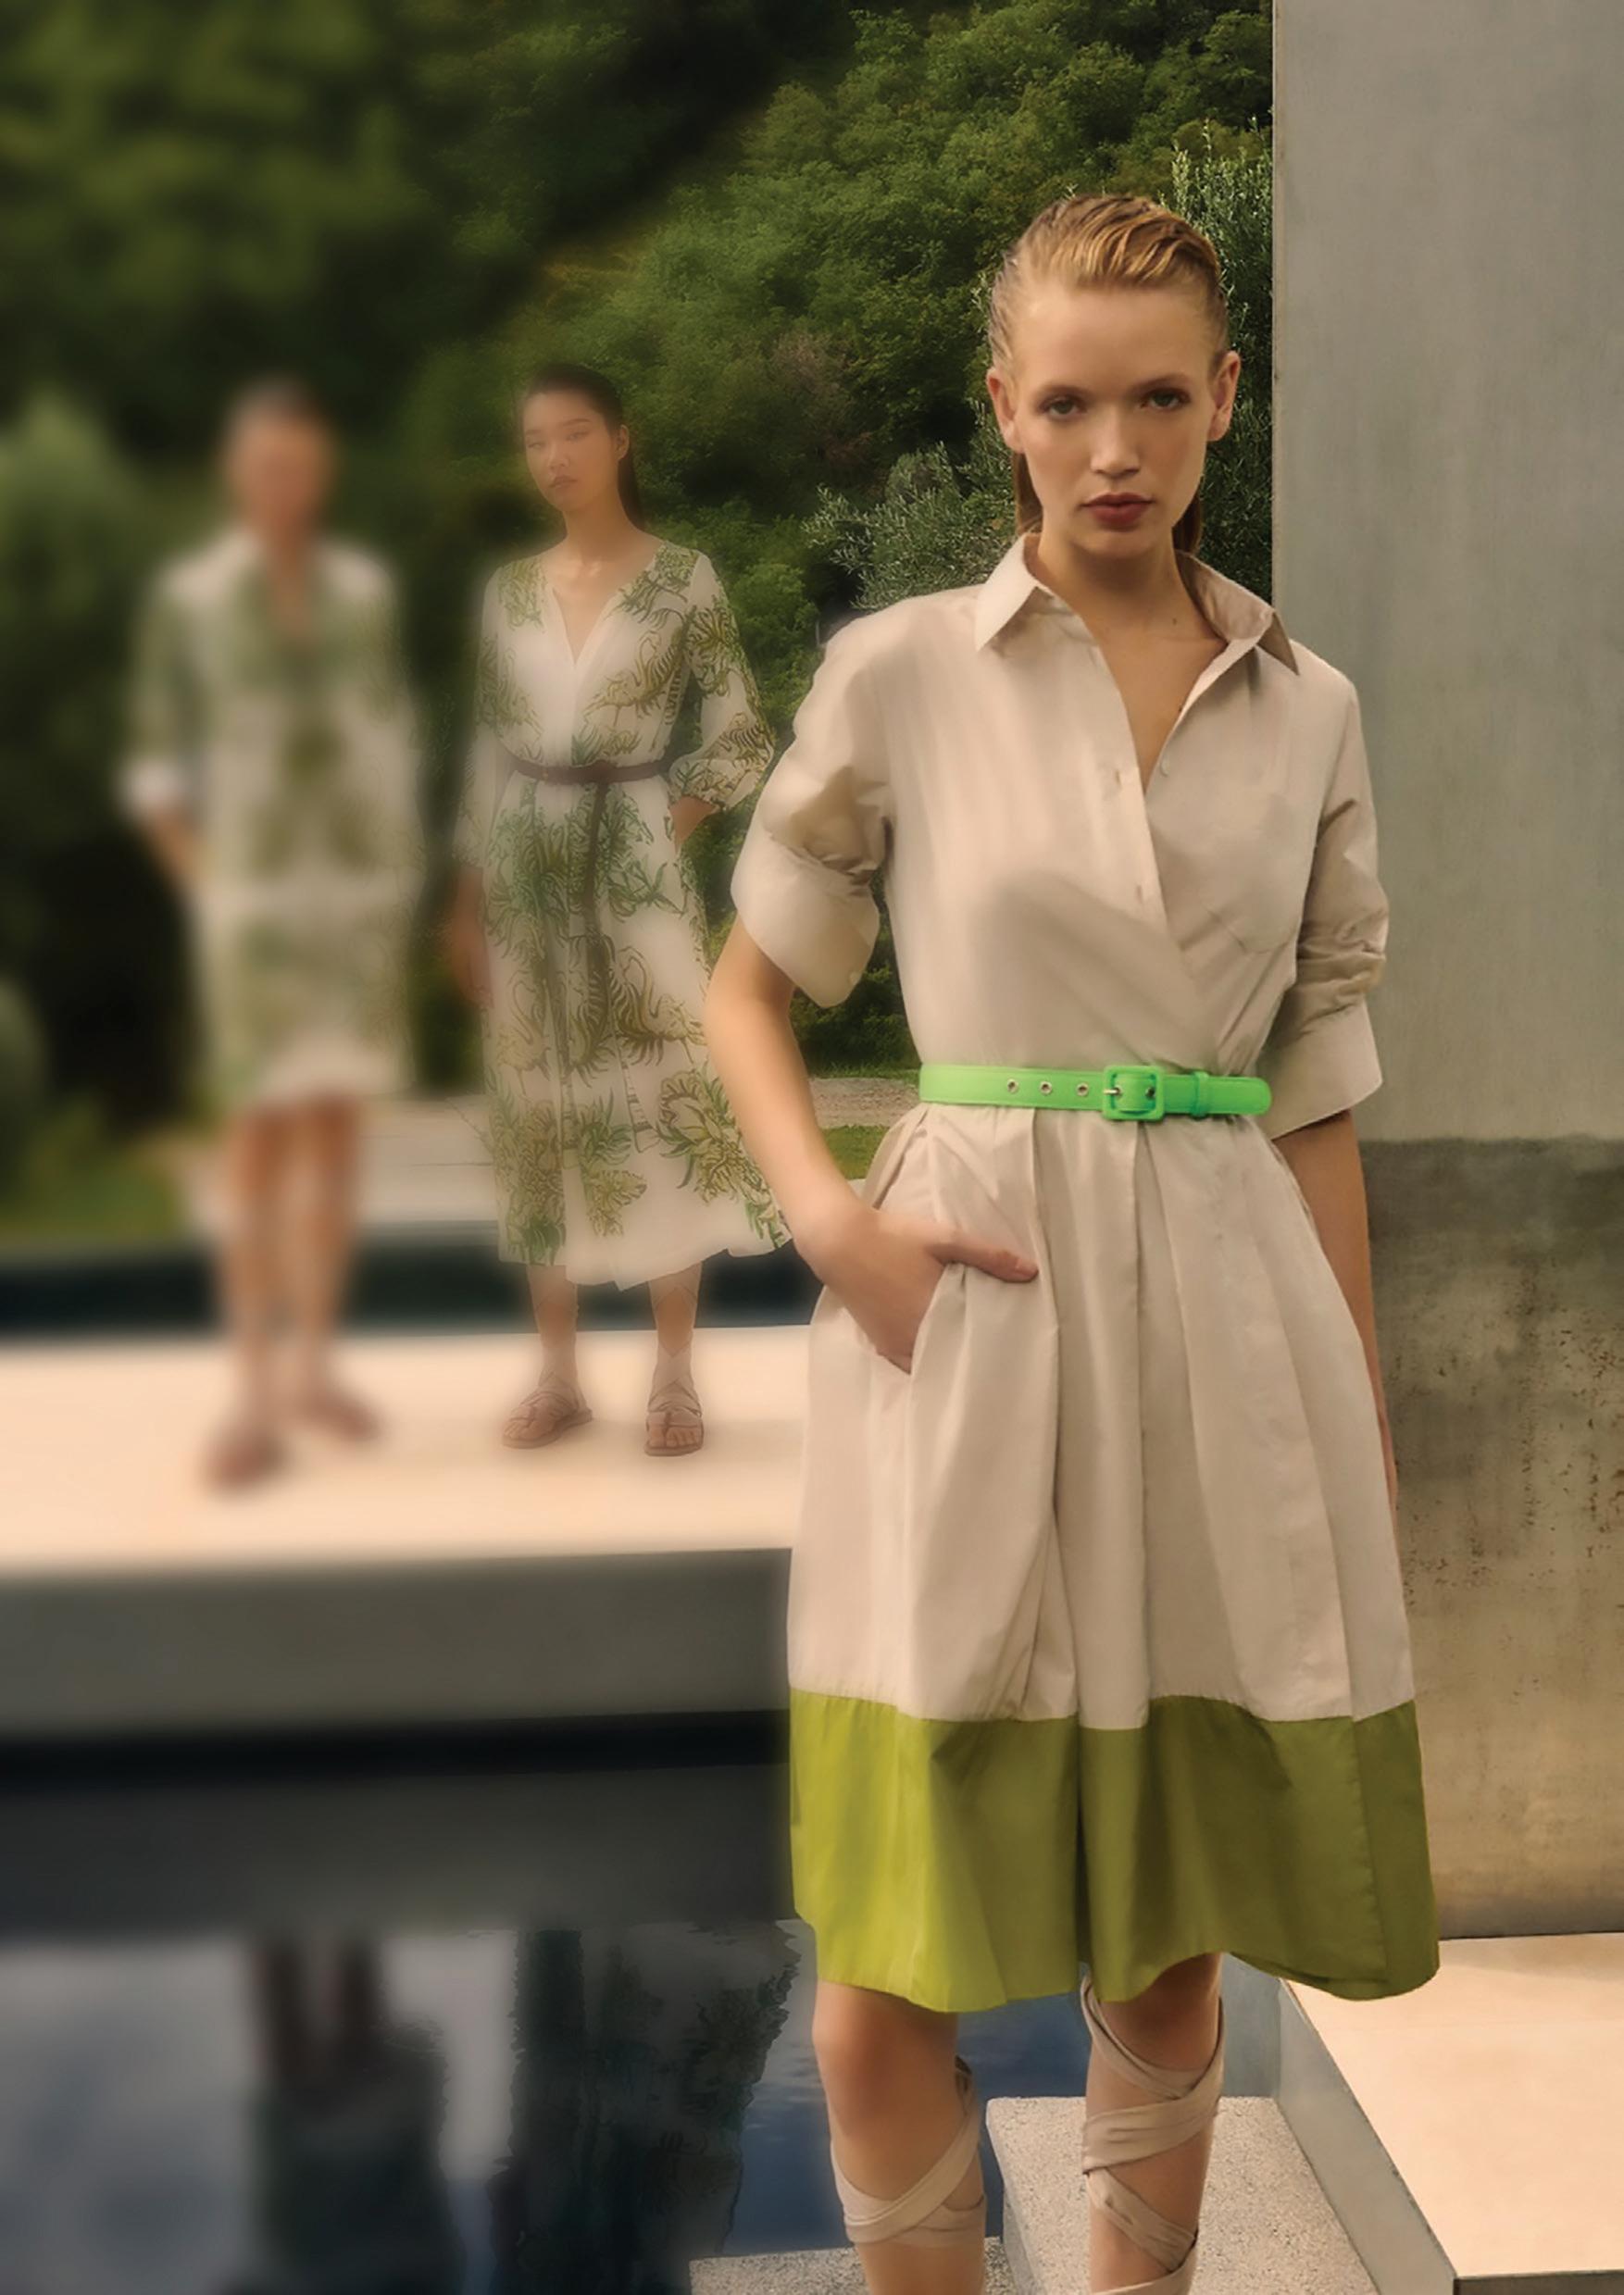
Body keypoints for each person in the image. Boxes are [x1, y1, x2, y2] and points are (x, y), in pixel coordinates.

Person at [705, 192, 1441, 2294]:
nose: (1111, 448)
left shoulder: (1305, 706)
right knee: (883, 1962)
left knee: (1168, 1929)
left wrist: (1353, 1410)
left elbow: (1313, 1089)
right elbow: (744, 992)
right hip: (965, 1308)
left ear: (1223, 399)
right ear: (1000, 412)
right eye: (1063, 404)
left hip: (1222, 1314)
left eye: (1156, 400)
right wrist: (832, 1226)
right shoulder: (899, 673)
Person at [444, 361, 788, 1457]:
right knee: (537, 1102)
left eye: (574, 433)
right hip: (522, 873)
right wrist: (464, 897)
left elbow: (742, 728)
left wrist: (671, 818)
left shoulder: (683, 579)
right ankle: (557, 1373)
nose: (553, 457)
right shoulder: (508, 592)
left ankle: (673, 1373)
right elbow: (486, 747)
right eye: (535, 440)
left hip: (631, 862)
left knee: (660, 1095)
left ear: (620, 438)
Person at [121, 379, 422, 1491]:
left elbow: (389, 742)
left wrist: (393, 884)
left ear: (321, 469)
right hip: (249, 909)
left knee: (336, 1132)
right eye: (263, 466)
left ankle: (311, 1367)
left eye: (298, 464)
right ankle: (249, 1393)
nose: (282, 484)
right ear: (235, 472)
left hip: (352, 905)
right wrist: (207, 890)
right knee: (255, 1137)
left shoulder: (362, 594)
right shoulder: (193, 601)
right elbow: (155, 765)